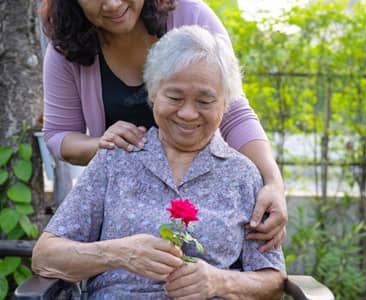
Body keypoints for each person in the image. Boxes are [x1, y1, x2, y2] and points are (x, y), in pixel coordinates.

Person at [32, 25, 286, 299]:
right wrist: (119, 253)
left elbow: (272, 279)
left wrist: (220, 281)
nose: (188, 114)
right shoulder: (116, 159)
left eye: (205, 100)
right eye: (174, 97)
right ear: (153, 95)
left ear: (225, 105)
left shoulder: (243, 175)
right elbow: (45, 255)